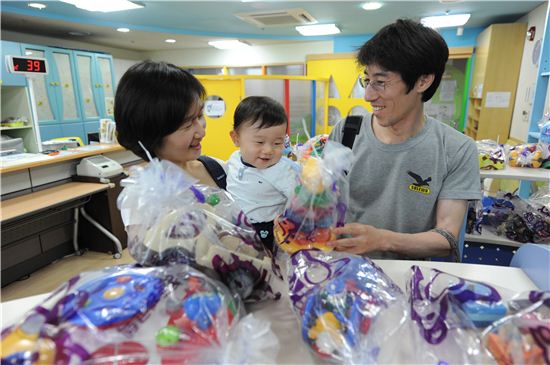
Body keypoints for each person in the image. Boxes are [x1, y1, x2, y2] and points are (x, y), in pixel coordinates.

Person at [328, 19, 481, 260]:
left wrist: (382, 240)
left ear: (423, 81)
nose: (368, 95)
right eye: (367, 80)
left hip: (408, 280)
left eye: (380, 82)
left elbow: (447, 237)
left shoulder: (456, 149)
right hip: (342, 270)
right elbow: (325, 202)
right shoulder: (347, 132)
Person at [115, 60, 226, 188]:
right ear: (150, 133)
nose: (202, 132)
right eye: (187, 124)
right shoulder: (144, 198)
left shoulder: (217, 169)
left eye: (200, 116)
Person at [227, 96, 299, 252]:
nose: (268, 150)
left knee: (266, 264)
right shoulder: (233, 159)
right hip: (235, 225)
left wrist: (288, 219)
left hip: (266, 229)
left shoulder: (281, 171)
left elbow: (300, 198)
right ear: (236, 138)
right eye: (259, 142)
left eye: (277, 143)